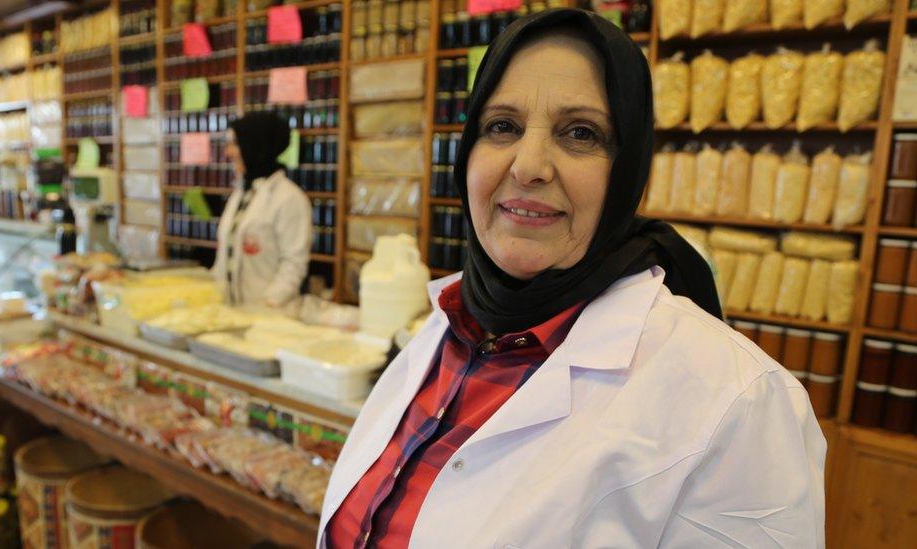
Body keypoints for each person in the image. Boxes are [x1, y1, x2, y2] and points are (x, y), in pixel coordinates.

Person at [319, 9, 825, 548]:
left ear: (626, 167)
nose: (529, 165)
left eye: (580, 133)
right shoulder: (450, 327)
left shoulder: (740, 402)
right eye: (502, 126)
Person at [212, 111, 312, 307]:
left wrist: (269, 304)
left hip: (269, 319)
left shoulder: (290, 198)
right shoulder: (241, 193)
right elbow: (226, 255)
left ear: (255, 146)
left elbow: (293, 264)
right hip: (231, 313)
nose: (228, 152)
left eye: (235, 144)